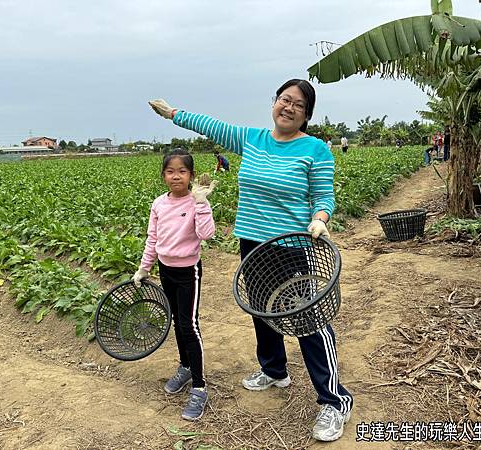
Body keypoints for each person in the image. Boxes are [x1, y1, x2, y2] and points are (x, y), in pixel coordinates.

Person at [148, 78, 353, 442]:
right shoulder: (252, 139)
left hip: (291, 246)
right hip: (252, 244)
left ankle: (335, 400)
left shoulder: (316, 149)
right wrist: (173, 114)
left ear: (306, 115)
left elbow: (324, 196)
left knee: (308, 320)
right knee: (262, 310)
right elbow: (211, 125)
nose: (288, 108)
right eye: (284, 100)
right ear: (274, 103)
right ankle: (274, 370)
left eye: (298, 105)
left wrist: (319, 219)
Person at [132, 148, 217, 421]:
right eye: (170, 171)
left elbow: (207, 234)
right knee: (176, 323)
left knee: (189, 325)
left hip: (188, 271)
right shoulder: (158, 204)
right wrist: (144, 268)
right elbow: (153, 239)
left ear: (191, 175)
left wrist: (202, 203)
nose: (176, 176)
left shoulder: (196, 202)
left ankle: (200, 386)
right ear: (163, 175)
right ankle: (185, 366)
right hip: (165, 271)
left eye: (182, 171)